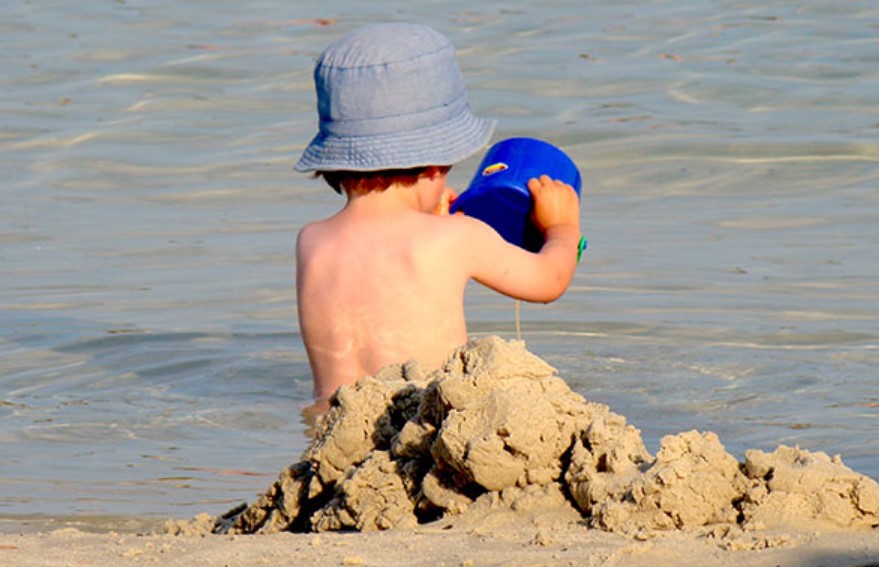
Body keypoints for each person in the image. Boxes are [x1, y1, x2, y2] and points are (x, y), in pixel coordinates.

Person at [294, 23, 581, 406]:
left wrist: (433, 218)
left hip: (328, 434)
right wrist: (561, 226)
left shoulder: (312, 240)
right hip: (420, 429)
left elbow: (383, 266)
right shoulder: (458, 237)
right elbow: (549, 281)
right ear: (434, 167)